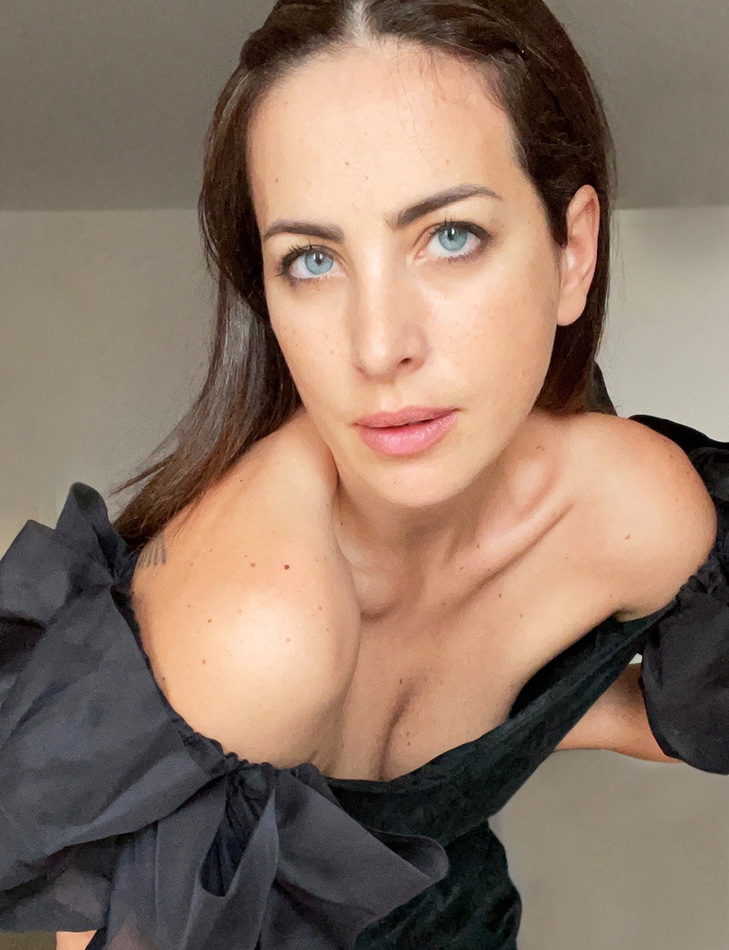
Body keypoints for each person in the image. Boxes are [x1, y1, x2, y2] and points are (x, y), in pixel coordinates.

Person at [1, 1, 728, 948]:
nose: (378, 347)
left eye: (450, 235)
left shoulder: (634, 514)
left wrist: (531, 723)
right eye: (311, 259)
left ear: (572, 252)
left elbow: (626, 718)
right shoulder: (261, 628)